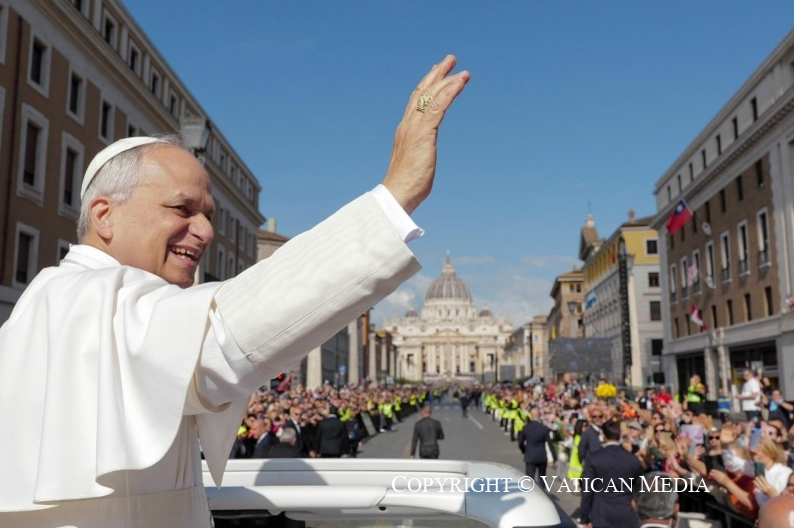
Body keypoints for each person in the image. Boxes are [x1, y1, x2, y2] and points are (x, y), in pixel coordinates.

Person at [0, 55, 470, 526]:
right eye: (182, 208)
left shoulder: (51, 302)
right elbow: (228, 333)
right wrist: (396, 194)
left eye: (207, 214)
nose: (204, 231)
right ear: (104, 216)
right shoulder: (93, 298)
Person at [579, 420, 643, 528]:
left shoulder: (594, 458)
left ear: (603, 435)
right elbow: (639, 488)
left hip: (601, 514)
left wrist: (584, 518)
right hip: (626, 514)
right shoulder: (632, 460)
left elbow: (587, 490)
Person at [517, 406, 557, 481]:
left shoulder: (526, 428)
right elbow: (550, 444)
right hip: (541, 455)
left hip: (530, 455)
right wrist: (555, 458)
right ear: (539, 415)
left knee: (529, 478)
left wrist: (524, 450)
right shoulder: (544, 428)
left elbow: (520, 442)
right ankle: (542, 489)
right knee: (542, 478)